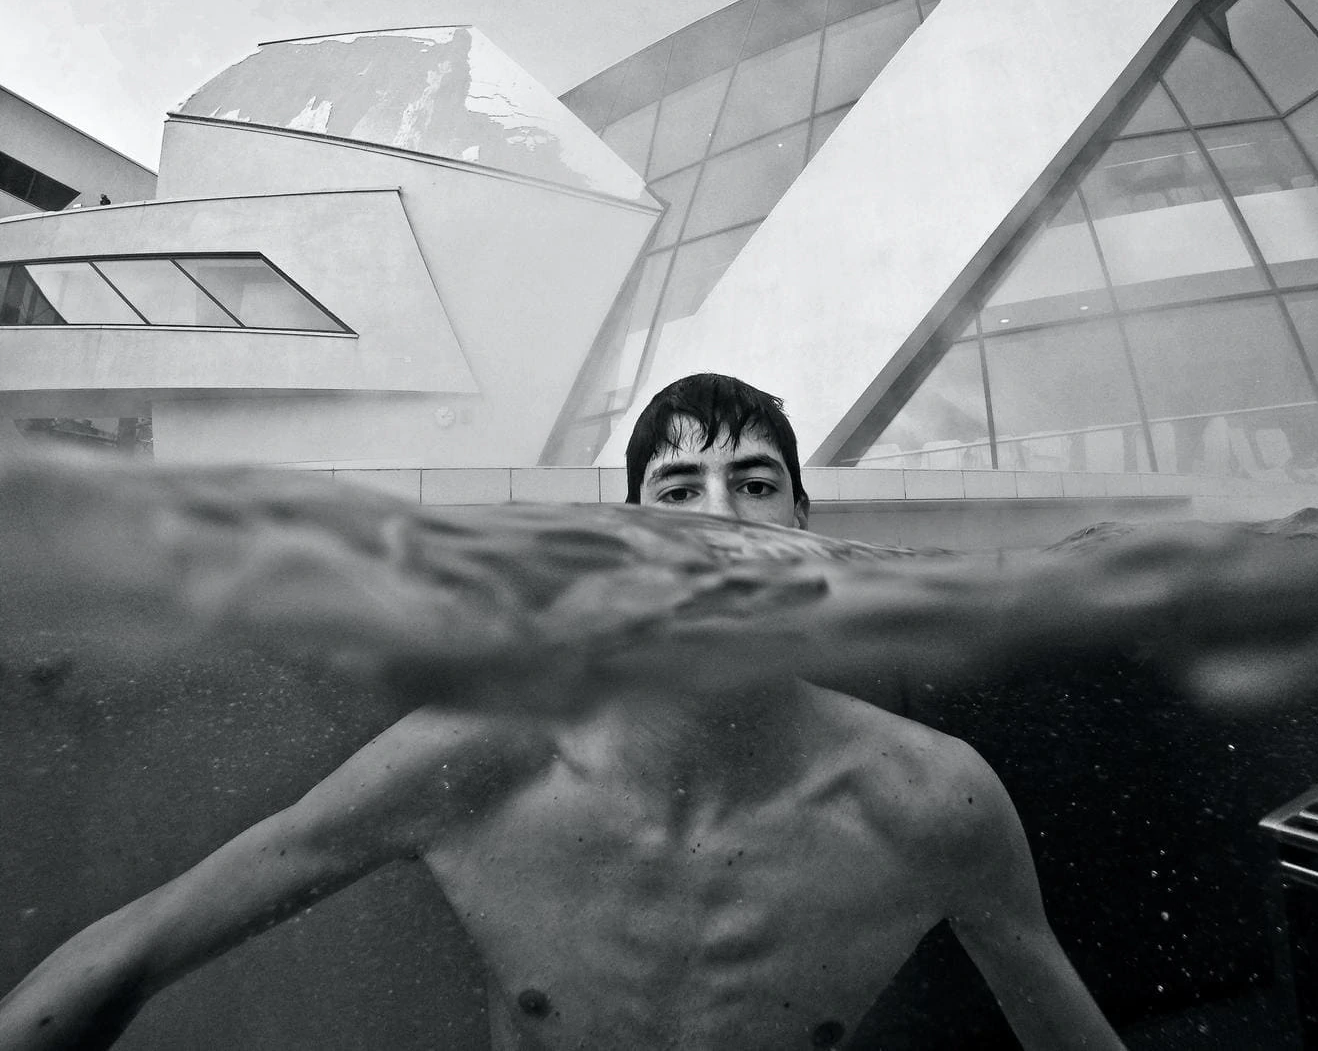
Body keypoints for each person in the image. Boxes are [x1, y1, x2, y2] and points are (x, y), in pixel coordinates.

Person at [0, 374, 1123, 1050]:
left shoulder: (935, 800)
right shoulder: (483, 758)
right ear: (629, 538)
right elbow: (141, 942)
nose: (718, 521)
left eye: (756, 482)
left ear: (806, 530)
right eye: (677, 493)